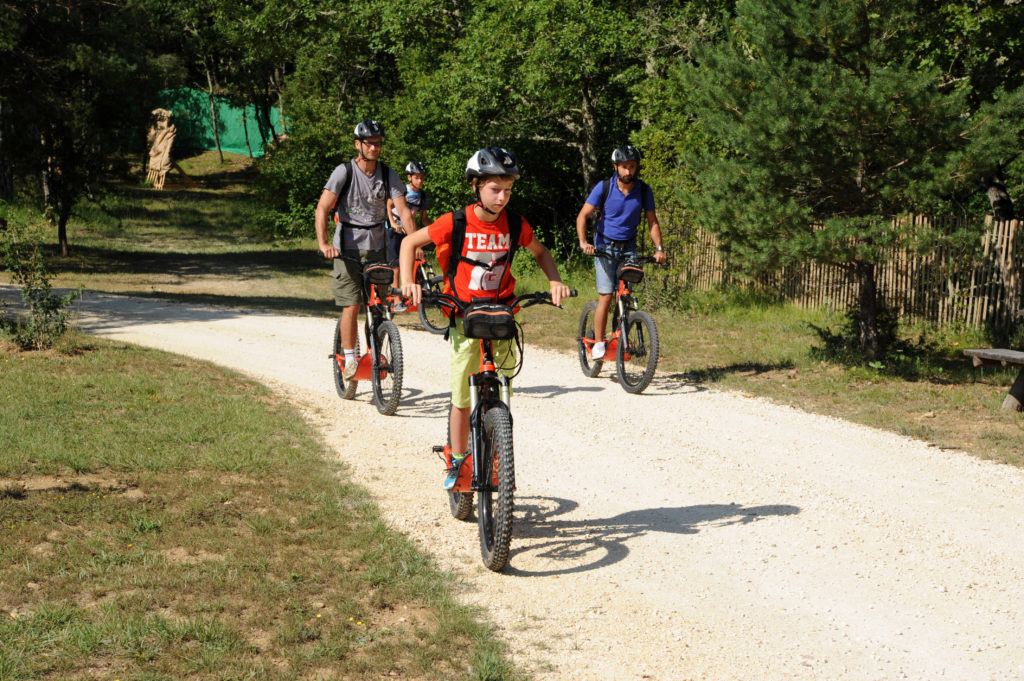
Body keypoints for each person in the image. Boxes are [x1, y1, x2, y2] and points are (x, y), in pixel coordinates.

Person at [399, 147, 571, 489]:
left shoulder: (515, 223)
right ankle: (459, 458)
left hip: (503, 316)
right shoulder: (456, 221)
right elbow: (409, 243)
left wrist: (554, 280)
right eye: (495, 189)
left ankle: (499, 450)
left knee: (504, 385)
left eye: (508, 189)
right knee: (462, 397)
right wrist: (408, 282)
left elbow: (540, 251)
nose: (503, 197)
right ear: (475, 186)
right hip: (464, 318)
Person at [315, 119, 417, 380]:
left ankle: (376, 356)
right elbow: (323, 208)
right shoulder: (344, 172)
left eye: (378, 143)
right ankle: (349, 358)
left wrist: (414, 242)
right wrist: (324, 244)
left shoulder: (387, 174)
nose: (374, 147)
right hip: (346, 250)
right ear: (358, 144)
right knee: (351, 305)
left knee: (378, 305)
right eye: (369, 143)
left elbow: (404, 211)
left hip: (377, 250)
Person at [575, 144, 667, 360]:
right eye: (624, 167)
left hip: (629, 248)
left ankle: (620, 334)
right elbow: (583, 216)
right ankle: (599, 342)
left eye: (632, 166)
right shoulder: (604, 187)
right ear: (616, 167)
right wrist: (583, 242)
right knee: (606, 297)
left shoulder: (644, 190)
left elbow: (652, 222)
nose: (628, 171)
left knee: (624, 294)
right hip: (604, 247)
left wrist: (659, 249)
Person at [385, 161, 431, 311]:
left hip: (410, 232)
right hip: (394, 231)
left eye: (422, 178)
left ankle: (408, 296)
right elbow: (388, 205)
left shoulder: (423, 196)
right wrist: (392, 223)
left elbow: (424, 219)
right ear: (409, 177)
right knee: (396, 266)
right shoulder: (402, 191)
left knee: (409, 263)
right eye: (417, 177)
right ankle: (396, 300)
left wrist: (436, 228)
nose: (420, 181)